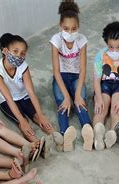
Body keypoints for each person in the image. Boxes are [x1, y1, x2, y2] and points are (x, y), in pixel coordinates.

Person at [0, 33, 54, 146]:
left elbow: (31, 92)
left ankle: (56, 136)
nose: (19, 56)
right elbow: (8, 98)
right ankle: (37, 144)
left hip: (23, 96)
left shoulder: (23, 66)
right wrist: (22, 120)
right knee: (24, 122)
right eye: (15, 51)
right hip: (6, 101)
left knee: (37, 117)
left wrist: (40, 115)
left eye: (22, 53)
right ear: (5, 51)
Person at [50, 0, 91, 152]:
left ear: (78, 28)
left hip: (76, 77)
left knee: (81, 102)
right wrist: (67, 97)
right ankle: (64, 136)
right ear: (60, 27)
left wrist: (78, 94)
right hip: (60, 76)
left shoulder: (81, 40)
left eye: (74, 29)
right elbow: (55, 71)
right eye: (66, 29)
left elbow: (83, 69)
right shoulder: (55, 40)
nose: (70, 32)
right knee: (62, 102)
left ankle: (89, 132)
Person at [91, 21, 119, 151]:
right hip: (104, 84)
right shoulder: (100, 55)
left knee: (116, 110)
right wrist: (98, 98)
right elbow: (96, 80)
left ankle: (112, 134)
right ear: (106, 43)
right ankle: (98, 135)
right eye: (111, 47)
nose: (114, 51)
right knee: (101, 108)